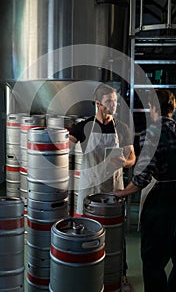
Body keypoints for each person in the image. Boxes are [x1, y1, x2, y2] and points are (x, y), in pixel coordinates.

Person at [113, 89, 176, 292]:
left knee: (153, 257)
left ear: (153, 108)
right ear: (173, 108)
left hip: (161, 198)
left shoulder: (149, 135)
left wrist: (123, 192)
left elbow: (143, 177)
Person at [69, 83, 136, 287]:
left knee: (116, 234)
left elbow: (132, 157)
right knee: (86, 231)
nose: (114, 105)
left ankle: (119, 274)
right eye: (109, 101)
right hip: (89, 188)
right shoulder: (82, 127)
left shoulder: (122, 128)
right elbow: (65, 151)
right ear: (98, 103)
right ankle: (87, 274)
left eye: (115, 101)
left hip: (112, 188)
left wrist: (123, 162)